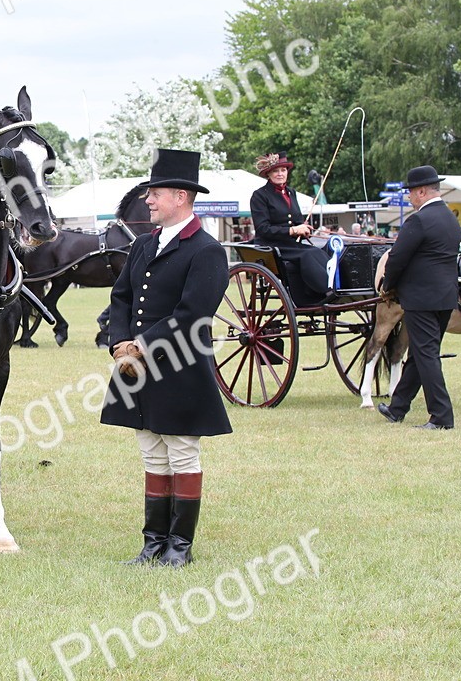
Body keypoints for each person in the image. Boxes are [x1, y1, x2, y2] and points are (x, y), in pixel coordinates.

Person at [102, 149, 232, 568]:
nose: (149, 201)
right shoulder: (143, 244)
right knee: (152, 453)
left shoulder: (207, 250)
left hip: (179, 367)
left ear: (181, 196)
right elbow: (121, 296)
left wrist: (141, 344)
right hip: (136, 367)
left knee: (181, 453)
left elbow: (193, 313)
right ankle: (153, 542)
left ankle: (180, 546)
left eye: (155, 194)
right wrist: (120, 341)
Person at [377, 165, 461, 430]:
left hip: (421, 299)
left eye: (411, 193)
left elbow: (397, 258)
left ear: (422, 192)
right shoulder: (450, 218)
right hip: (446, 298)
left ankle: (441, 417)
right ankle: (398, 407)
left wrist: (387, 285)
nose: (410, 198)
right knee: (421, 352)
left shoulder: (419, 220)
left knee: (426, 355)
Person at [249, 152, 332, 301]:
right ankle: (325, 291)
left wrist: (304, 228)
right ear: (268, 174)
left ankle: (332, 287)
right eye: (276, 171)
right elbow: (263, 229)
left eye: (283, 170)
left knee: (319, 251)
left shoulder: (291, 192)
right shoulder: (260, 196)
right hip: (271, 246)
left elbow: (297, 220)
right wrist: (293, 230)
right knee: (308, 255)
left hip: (290, 244)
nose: (280, 174)